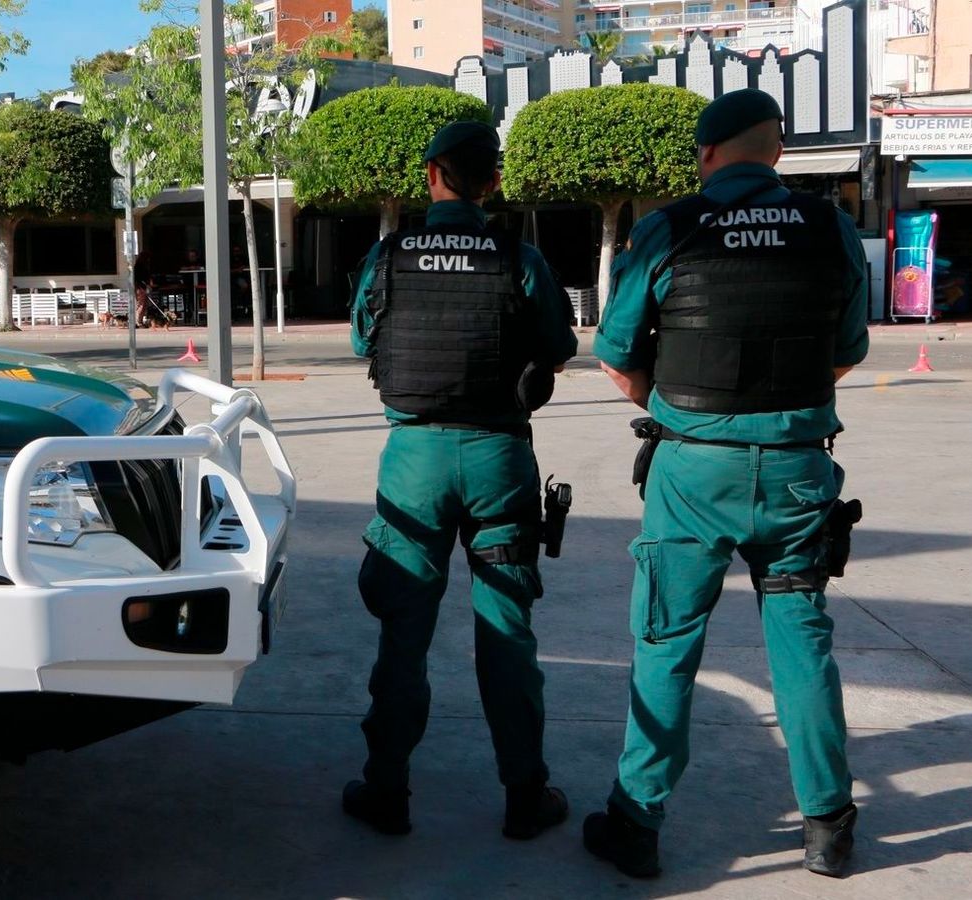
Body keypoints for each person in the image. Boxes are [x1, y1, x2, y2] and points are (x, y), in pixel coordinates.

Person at [585, 89, 869, 880]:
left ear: (707, 155)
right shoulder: (830, 228)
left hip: (691, 470)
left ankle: (636, 824)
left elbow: (613, 356)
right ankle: (828, 828)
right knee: (801, 642)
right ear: (776, 151)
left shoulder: (669, 227)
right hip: (797, 470)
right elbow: (848, 350)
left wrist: (683, 416)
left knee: (667, 643)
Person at [344, 121, 579, 838]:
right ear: (494, 182)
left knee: (403, 635)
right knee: (506, 631)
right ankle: (524, 794)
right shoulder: (520, 258)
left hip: (412, 459)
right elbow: (561, 345)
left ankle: (387, 790)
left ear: (430, 176)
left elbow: (362, 338)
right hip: (499, 458)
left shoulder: (389, 256)